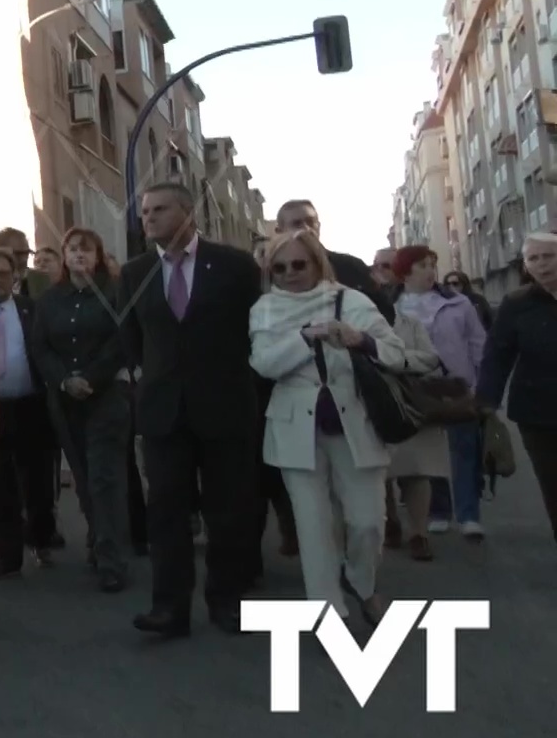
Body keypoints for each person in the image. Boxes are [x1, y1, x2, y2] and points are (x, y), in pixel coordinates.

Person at [119, 181, 263, 638]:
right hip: (163, 411)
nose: (149, 218)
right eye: (144, 212)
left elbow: (254, 332)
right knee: (165, 511)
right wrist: (149, 379)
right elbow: (132, 339)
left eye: (159, 209)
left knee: (228, 509)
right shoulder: (135, 272)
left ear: (187, 212)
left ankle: (228, 601)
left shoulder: (235, 267)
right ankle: (169, 608)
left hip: (225, 405)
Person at [249, 230, 407, 623]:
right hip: (293, 428)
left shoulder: (348, 299)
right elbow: (264, 363)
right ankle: (326, 613)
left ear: (317, 263)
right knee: (313, 526)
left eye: (299, 264)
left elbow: (395, 354)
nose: (289, 273)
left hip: (354, 420)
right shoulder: (265, 308)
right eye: (279, 267)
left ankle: (360, 579)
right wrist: (306, 338)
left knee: (367, 521)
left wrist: (359, 340)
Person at [29, 228, 134, 593]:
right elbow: (40, 347)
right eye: (72, 249)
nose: (79, 255)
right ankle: (98, 536)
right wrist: (63, 380)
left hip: (106, 396)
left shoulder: (115, 293)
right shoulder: (50, 299)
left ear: (98, 255)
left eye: (86, 250)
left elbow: (122, 340)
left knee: (106, 477)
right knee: (85, 476)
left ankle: (112, 559)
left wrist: (91, 377)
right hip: (65, 398)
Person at [388, 245, 483, 552]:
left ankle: (469, 515)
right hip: (416, 392)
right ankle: (439, 510)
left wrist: (480, 384)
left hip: (457, 386)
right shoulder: (392, 307)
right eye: (422, 266)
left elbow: (478, 342)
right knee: (430, 456)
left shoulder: (459, 303)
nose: (430, 271)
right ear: (404, 273)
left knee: (465, 450)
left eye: (432, 264)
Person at [0, 248, 56, 579]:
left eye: (3, 274)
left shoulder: (31, 310)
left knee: (37, 481)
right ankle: (6, 553)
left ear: (15, 277)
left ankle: (40, 538)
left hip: (30, 405)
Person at [477, 232, 557, 541]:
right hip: (537, 414)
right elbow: (498, 353)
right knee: (553, 485)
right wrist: (486, 401)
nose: (540, 265)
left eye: (547, 256)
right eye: (533, 258)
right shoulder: (517, 303)